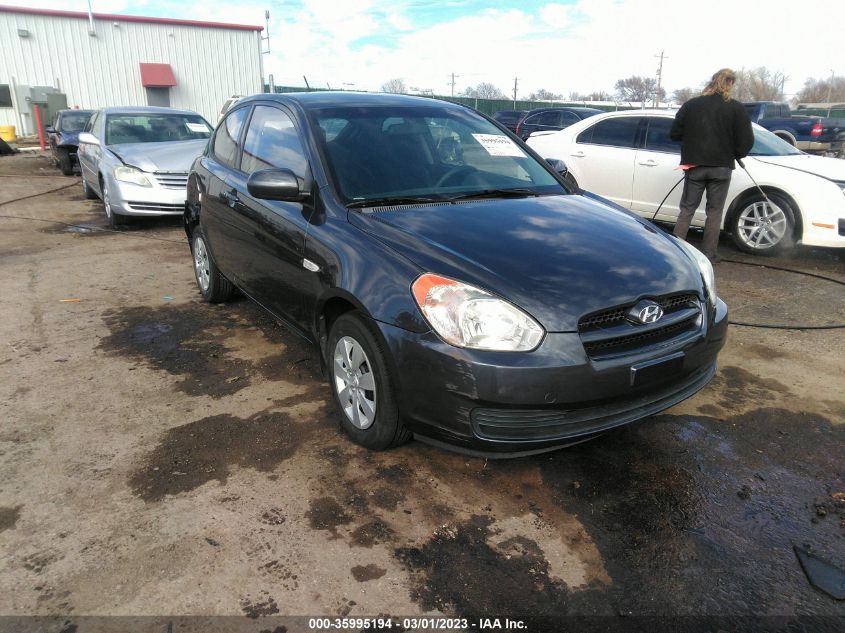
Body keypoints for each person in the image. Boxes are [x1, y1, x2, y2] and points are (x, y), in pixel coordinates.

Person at [670, 68, 754, 262]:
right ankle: (709, 254)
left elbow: (674, 133)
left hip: (695, 166)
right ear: (730, 84)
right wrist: (736, 153)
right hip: (722, 168)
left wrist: (691, 141)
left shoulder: (691, 105)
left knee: (687, 210)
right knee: (714, 211)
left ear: (712, 82)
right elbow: (746, 141)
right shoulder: (736, 108)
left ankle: (676, 253)